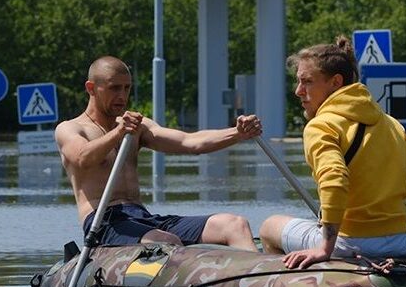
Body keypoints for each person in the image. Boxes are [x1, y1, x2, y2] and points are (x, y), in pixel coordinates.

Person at [259, 36, 406, 269]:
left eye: (307, 82)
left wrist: (325, 249)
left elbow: (334, 179)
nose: (298, 91)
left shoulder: (322, 125)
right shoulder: (393, 124)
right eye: (298, 82)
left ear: (335, 82)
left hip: (350, 243)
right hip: (401, 242)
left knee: (269, 226)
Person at [55, 55, 261, 250]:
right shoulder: (71, 128)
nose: (122, 96)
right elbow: (83, 158)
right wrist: (118, 133)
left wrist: (237, 133)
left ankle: (257, 281)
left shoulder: (137, 128)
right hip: (104, 223)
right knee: (166, 241)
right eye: (114, 88)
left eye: (127, 88)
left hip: (143, 217)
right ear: (91, 88)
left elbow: (190, 142)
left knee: (235, 224)